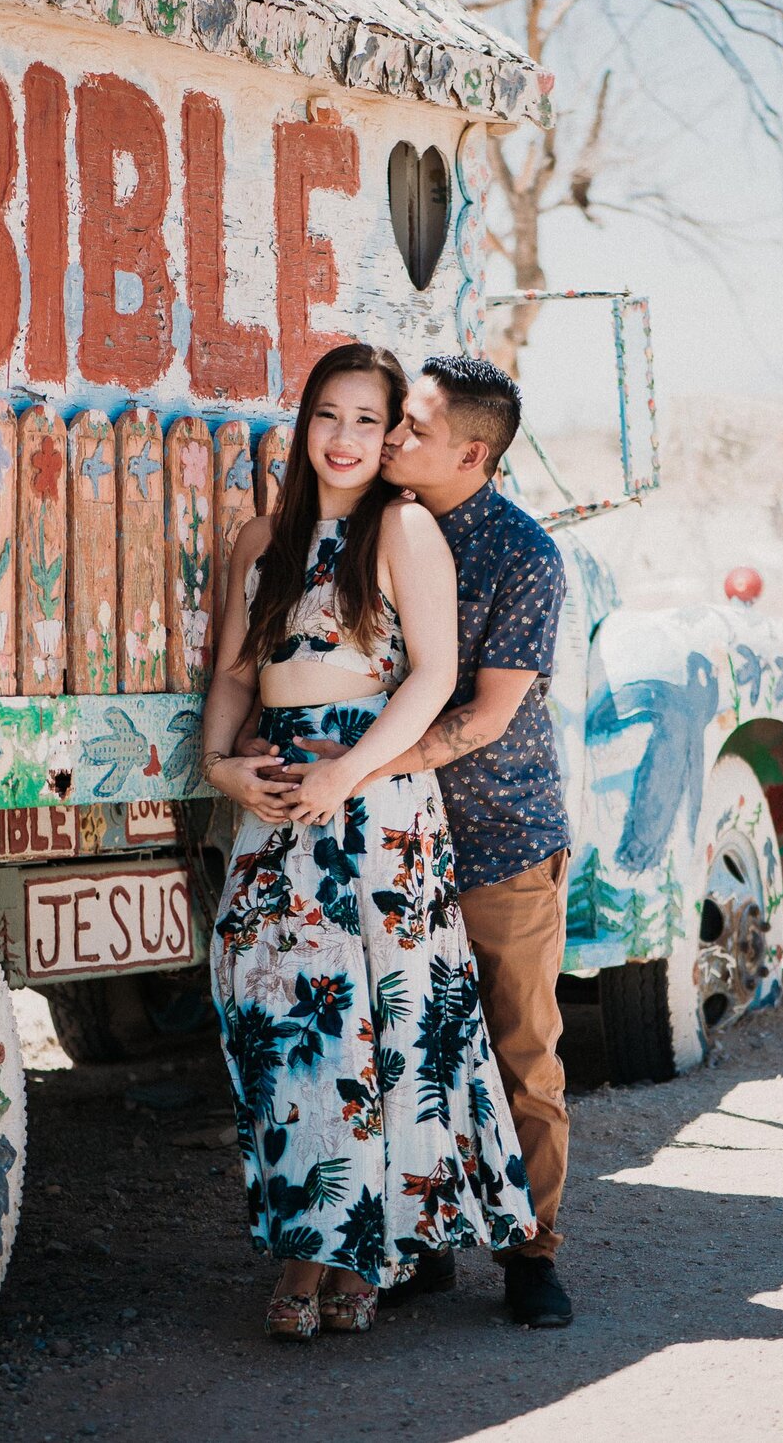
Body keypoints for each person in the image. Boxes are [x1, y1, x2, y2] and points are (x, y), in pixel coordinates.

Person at [200, 343, 536, 1342]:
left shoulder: (403, 528)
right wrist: (221, 763)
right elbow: (231, 671)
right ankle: (317, 1238)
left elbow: (433, 677)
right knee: (278, 1021)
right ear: (302, 427)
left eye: (367, 419)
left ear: (388, 434)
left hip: (377, 803)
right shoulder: (261, 537)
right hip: (274, 797)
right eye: (327, 416)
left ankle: (348, 1260)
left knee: (375, 1033)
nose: (346, 439)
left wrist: (349, 771)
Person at [283, 356, 573, 1329]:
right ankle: (423, 1235)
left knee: (516, 1045)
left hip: (495, 834)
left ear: (472, 451)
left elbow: (486, 714)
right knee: (406, 1042)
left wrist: (351, 771)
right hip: (388, 838)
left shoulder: (523, 555)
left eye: (412, 425)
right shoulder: (369, 526)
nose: (392, 438)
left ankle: (532, 1253)